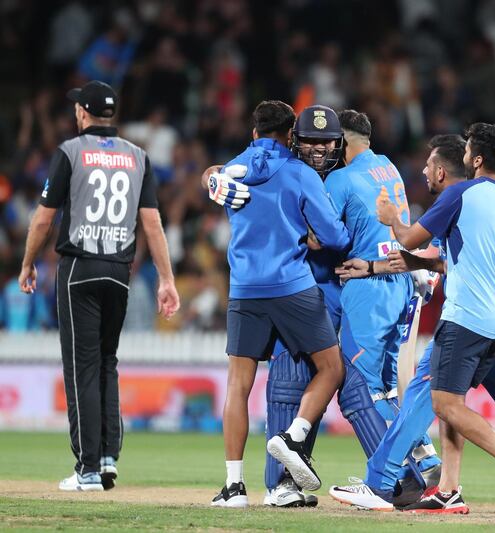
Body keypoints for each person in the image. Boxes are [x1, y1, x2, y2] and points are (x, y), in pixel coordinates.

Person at [329, 134, 495, 516]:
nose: (464, 156)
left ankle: (381, 484)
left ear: (478, 158)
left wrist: (391, 219)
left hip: (465, 320)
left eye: (468, 150)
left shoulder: (461, 195)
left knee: (432, 396)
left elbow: (408, 239)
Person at [17, 80, 180, 491]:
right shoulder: (138, 157)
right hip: (119, 272)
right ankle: (108, 458)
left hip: (79, 270)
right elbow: (153, 224)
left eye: (76, 107)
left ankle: (87, 469)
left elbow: (42, 219)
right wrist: (166, 278)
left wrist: (27, 263)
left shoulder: (71, 152)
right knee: (107, 362)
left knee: (82, 368)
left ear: (83, 114)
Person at [209, 100, 350, 507]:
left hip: (245, 288)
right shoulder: (301, 173)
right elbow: (336, 239)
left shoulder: (231, 169)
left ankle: (234, 487)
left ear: (253, 132)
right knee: (331, 367)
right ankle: (294, 435)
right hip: (292, 285)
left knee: (238, 385)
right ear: (290, 135)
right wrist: (313, 235)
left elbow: (215, 177)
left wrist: (210, 176)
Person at [324, 110, 440, 474]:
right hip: (399, 278)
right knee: (387, 388)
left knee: (361, 386)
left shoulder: (341, 179)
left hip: (368, 286)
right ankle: (424, 457)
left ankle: (391, 474)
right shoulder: (388, 166)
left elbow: (323, 234)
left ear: (342, 142)